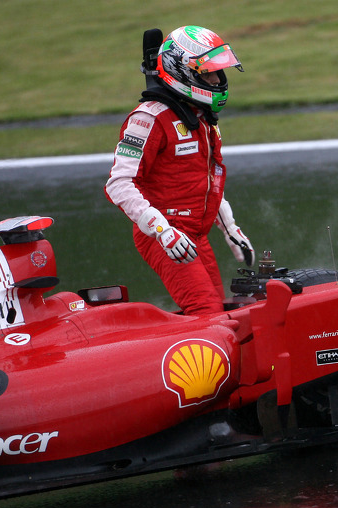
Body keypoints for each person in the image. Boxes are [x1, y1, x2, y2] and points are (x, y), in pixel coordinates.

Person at [105, 25, 254, 315]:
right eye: (208, 73)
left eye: (217, 72)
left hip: (195, 233)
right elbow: (119, 184)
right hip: (163, 234)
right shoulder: (148, 119)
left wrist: (230, 227)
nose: (217, 79)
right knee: (206, 310)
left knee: (223, 311)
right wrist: (162, 231)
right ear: (184, 73)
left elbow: (204, 183)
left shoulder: (202, 116)